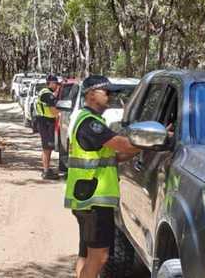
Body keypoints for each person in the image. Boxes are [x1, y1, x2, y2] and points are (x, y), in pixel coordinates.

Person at [64, 75, 142, 278]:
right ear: (91, 95)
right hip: (94, 200)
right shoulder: (90, 123)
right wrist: (153, 140)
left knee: (86, 253)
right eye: (106, 92)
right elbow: (122, 144)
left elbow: (115, 156)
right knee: (100, 257)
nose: (110, 96)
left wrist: (140, 148)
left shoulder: (89, 120)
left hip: (86, 198)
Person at [36, 74, 61, 179]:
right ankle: (46, 171)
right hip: (45, 122)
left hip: (45, 121)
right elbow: (54, 111)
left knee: (47, 147)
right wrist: (61, 113)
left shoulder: (47, 93)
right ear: (49, 83)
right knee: (47, 148)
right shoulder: (46, 94)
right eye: (55, 83)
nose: (56, 85)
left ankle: (46, 169)